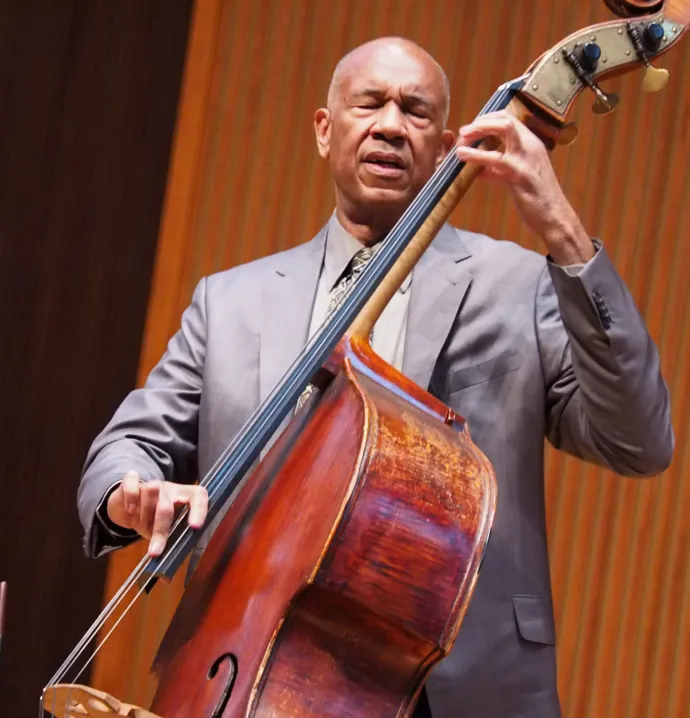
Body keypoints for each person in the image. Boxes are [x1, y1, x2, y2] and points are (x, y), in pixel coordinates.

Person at [77, 36, 673, 718]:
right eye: (370, 103)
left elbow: (640, 441)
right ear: (324, 130)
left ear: (448, 144)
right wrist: (132, 493)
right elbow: (128, 446)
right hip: (249, 678)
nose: (391, 123)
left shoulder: (522, 285)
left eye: (415, 111)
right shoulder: (230, 301)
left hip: (463, 687)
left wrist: (563, 231)